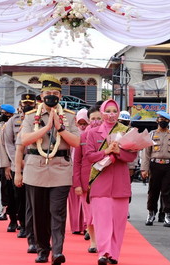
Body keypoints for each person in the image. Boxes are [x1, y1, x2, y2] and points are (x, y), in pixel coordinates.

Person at [21, 74, 80, 265]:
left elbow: (77, 142)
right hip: (35, 169)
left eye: (55, 93)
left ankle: (57, 252)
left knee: (58, 212)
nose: (51, 96)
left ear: (60, 96)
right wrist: (47, 127)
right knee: (39, 214)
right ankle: (42, 249)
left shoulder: (69, 117)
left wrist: (60, 129)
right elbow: (24, 140)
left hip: (60, 169)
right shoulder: (30, 117)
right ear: (42, 95)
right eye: (48, 93)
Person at [86, 99, 137, 265]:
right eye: (107, 111)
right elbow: (89, 156)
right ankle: (103, 252)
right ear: (101, 113)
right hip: (101, 182)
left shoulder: (126, 131)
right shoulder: (93, 133)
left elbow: (132, 156)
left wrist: (119, 152)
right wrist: (106, 151)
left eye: (114, 111)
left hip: (120, 183)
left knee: (118, 222)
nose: (111, 114)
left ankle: (114, 254)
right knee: (102, 221)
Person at [4, 93, 36, 237]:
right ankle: (19, 223)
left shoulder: (39, 120)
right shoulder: (13, 121)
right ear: (20, 105)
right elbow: (9, 143)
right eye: (25, 103)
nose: (27, 106)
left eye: (30, 103)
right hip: (17, 165)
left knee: (32, 198)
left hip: (34, 163)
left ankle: (29, 226)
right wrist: (17, 162)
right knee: (17, 197)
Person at [73, 105, 102, 253]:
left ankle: (103, 240)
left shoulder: (107, 136)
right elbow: (76, 161)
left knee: (101, 213)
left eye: (99, 118)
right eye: (93, 119)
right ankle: (93, 241)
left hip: (103, 180)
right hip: (86, 181)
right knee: (89, 213)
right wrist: (77, 183)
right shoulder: (82, 137)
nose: (96, 121)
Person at [141, 111, 170, 228]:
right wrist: (144, 169)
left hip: (169, 166)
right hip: (155, 165)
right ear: (157, 120)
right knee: (153, 191)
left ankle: (167, 216)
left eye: (165, 120)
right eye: (161, 119)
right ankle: (151, 214)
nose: (163, 122)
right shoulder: (151, 135)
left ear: (169, 122)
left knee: (167, 191)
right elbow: (146, 153)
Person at [68, 108, 88, 235]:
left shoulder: (91, 135)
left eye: (84, 123)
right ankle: (76, 226)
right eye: (79, 123)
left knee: (85, 200)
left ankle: (87, 224)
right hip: (71, 171)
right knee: (73, 201)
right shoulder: (71, 134)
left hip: (85, 172)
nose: (82, 126)